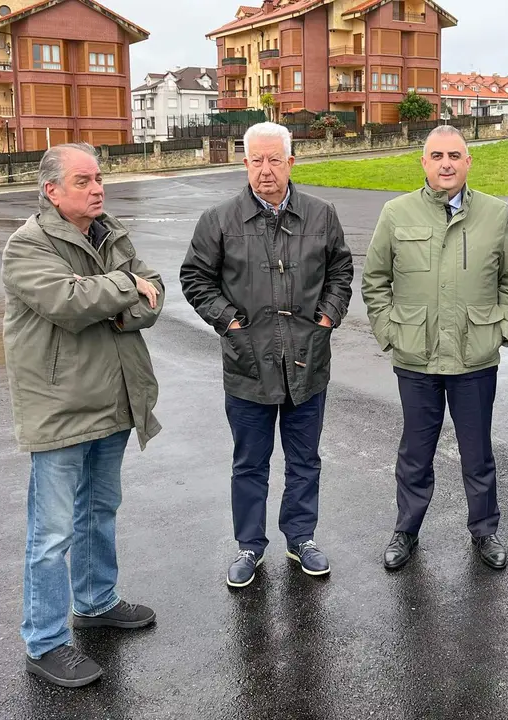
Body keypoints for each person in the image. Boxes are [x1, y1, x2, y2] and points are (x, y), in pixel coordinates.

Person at [2, 143, 163, 687]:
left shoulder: (110, 232)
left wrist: (120, 304)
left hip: (114, 401)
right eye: (82, 181)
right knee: (51, 533)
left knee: (100, 511)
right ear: (51, 190)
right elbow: (68, 304)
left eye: (98, 178)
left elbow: (154, 293)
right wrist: (124, 288)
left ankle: (95, 602)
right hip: (61, 409)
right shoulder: (28, 245)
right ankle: (44, 641)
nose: (97, 189)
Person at [180, 122, 353, 589]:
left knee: (304, 459)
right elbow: (195, 278)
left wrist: (326, 319)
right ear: (244, 164)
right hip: (247, 362)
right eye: (256, 160)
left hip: (306, 361)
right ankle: (249, 546)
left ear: (291, 162)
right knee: (249, 462)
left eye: (274, 159)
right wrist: (230, 322)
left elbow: (341, 270)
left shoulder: (321, 215)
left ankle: (301, 537)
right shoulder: (219, 220)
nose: (265, 170)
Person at [361, 125, 508, 571]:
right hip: (416, 356)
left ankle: (485, 531)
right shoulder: (396, 213)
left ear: (469, 162)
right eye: (437, 156)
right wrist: (391, 332)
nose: (446, 164)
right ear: (424, 163)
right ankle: (406, 530)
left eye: (455, 155)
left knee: (478, 452)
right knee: (415, 452)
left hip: (475, 357)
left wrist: (502, 330)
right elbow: (375, 280)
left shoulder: (494, 214)